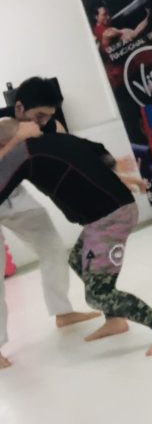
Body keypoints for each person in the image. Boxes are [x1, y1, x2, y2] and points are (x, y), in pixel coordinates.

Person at [0, 117, 152, 365]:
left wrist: (12, 144)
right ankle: (115, 320)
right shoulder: (52, 140)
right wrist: (117, 173)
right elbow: (96, 148)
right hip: (107, 213)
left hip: (110, 218)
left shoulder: (23, 153)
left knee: (98, 293)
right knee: (77, 259)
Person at [0, 77, 100, 367]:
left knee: (52, 245)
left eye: (48, 116)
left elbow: (68, 149)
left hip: (12, 195)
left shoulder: (46, 124)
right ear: (19, 107)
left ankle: (62, 312)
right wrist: (17, 138)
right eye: (39, 115)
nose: (42, 121)